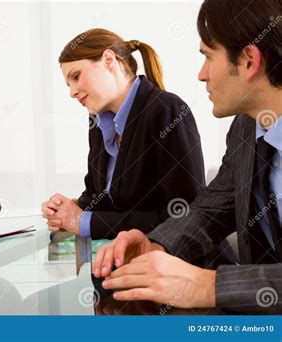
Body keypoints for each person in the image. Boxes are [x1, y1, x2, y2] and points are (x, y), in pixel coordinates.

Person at [94, 0, 282, 313]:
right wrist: (157, 244)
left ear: (249, 60)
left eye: (208, 57)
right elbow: (212, 208)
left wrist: (210, 285)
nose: (201, 74)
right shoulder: (247, 127)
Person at [42, 28, 205, 239]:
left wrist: (85, 222)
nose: (72, 92)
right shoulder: (98, 121)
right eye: (68, 84)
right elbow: (98, 195)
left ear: (109, 60)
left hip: (176, 262)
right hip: (126, 258)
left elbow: (184, 216)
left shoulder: (165, 110)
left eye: (76, 76)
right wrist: (69, 211)